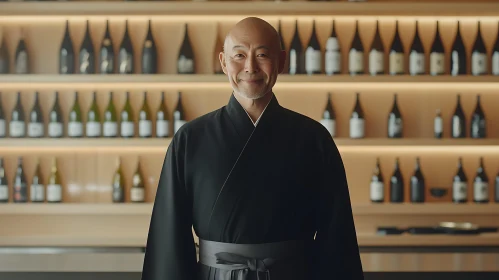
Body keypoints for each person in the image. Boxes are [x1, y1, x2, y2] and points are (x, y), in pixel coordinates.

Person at [141, 17, 364, 280]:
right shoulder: (190, 139)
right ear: (223, 62)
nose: (250, 67)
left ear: (282, 61)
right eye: (239, 55)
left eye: (262, 55)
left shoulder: (314, 139)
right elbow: (170, 238)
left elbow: (336, 241)